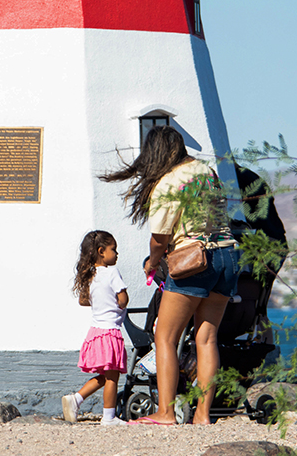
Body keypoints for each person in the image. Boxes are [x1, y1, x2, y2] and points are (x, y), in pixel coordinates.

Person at [100, 126, 241, 425]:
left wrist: (152, 263)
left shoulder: (167, 183)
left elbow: (159, 240)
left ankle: (165, 412)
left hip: (194, 260)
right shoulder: (206, 171)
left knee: (164, 334)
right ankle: (202, 415)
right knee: (207, 338)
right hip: (228, 255)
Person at [61, 230, 129, 427]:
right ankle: (108, 417)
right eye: (113, 250)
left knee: (106, 376)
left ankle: (76, 399)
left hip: (95, 332)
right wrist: (119, 303)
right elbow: (123, 299)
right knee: (113, 376)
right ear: (101, 251)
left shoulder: (90, 274)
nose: (116, 254)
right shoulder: (112, 272)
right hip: (110, 331)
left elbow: (84, 301)